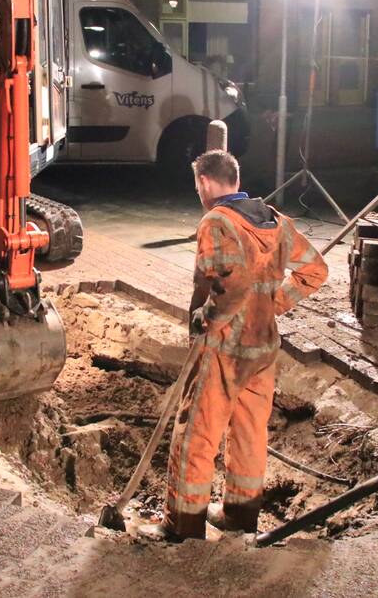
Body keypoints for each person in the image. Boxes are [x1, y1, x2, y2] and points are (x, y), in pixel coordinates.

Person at [141, 150, 328, 541]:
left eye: (198, 187)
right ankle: (240, 517)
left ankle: (182, 525)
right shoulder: (276, 221)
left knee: (196, 435)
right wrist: (274, 304)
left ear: (205, 181)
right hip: (263, 350)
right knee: (249, 435)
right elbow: (316, 270)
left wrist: (206, 318)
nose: (198, 194)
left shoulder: (217, 222)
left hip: (225, 349)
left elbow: (236, 285)